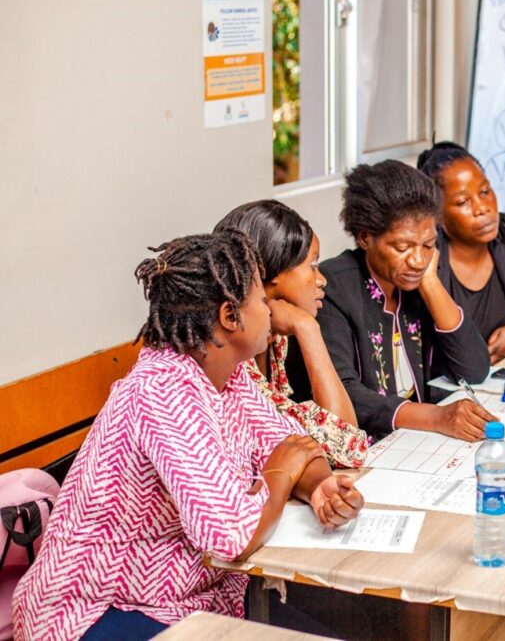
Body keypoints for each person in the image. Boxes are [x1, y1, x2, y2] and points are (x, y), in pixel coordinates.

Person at [12, 232, 363, 641]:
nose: (270, 311)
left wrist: (319, 485)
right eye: (261, 301)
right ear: (231, 317)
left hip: (191, 596)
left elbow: (292, 442)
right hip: (95, 611)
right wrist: (282, 471)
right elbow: (229, 536)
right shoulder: (162, 392)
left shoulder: (230, 377)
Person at [287, 160, 493, 442]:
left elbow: (474, 369)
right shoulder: (333, 287)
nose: (419, 260)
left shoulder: (416, 279)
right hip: (363, 451)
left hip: (416, 444)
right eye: (402, 247)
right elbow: (344, 392)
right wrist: (437, 417)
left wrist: (430, 283)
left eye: (428, 245)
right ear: (365, 238)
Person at [215, 200, 368, 469]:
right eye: (312, 265)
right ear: (271, 272)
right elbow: (346, 446)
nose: (322, 279)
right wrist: (308, 328)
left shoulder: (276, 340)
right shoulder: (232, 358)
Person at [417, 141, 505, 364]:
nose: (482, 208)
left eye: (485, 191)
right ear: (438, 215)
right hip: (453, 390)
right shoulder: (427, 259)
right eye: (463, 201)